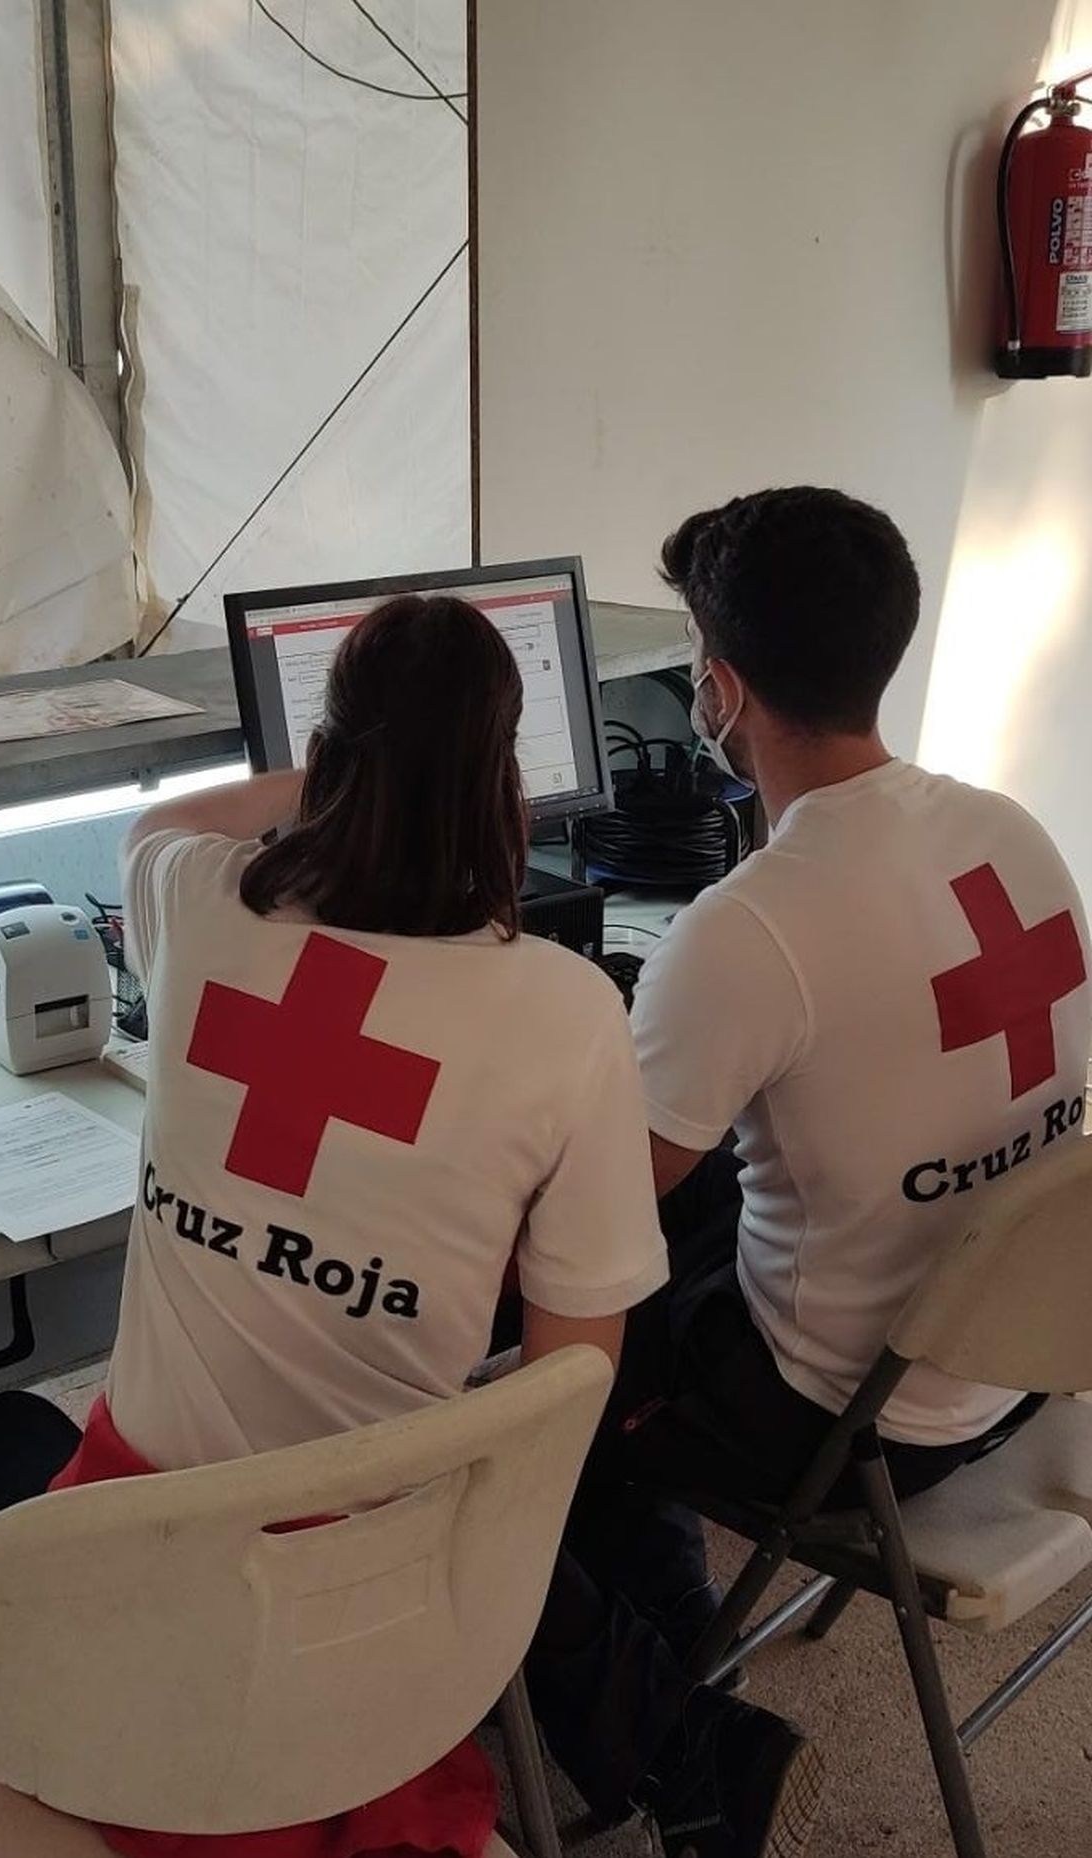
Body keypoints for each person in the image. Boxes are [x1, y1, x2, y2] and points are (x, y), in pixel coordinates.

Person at [0, 594, 668, 1858]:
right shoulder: (567, 1014)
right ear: (503, 780)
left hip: (153, 1557)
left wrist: (349, 762)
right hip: (381, 1604)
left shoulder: (195, 898)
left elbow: (157, 818)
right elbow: (572, 1382)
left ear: (330, 760)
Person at [523, 486, 1090, 1857]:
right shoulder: (1012, 831)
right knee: (724, 1185)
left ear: (717, 687)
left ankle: (670, 1727)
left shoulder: (747, 931)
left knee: (528, 1366)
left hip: (851, 1417)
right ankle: (676, 1651)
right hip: (1023, 1352)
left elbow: (591, 1213)